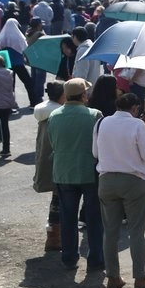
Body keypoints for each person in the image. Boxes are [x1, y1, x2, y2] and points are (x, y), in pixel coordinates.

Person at [93, 92, 145, 288]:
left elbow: (95, 153)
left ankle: (113, 277)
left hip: (106, 180)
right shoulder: (137, 125)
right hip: (134, 180)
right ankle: (140, 278)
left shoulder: (102, 122)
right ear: (135, 108)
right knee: (136, 231)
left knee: (110, 231)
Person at [47, 78, 105, 274]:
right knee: (94, 217)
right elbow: (100, 144)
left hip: (63, 171)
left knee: (68, 216)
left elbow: (52, 142)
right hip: (89, 170)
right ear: (82, 95)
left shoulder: (54, 115)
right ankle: (96, 258)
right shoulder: (94, 115)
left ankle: (69, 256)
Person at [33, 81, 66, 250]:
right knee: (61, 202)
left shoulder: (44, 113)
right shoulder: (58, 115)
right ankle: (56, 238)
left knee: (56, 202)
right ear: (62, 95)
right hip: (59, 163)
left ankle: (52, 237)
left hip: (47, 161)